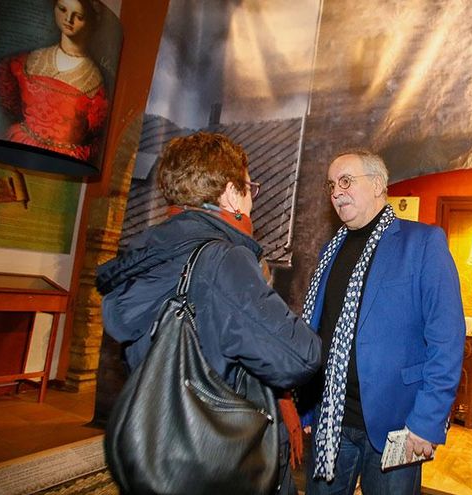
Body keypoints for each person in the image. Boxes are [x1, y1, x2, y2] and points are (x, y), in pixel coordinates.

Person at [95, 132, 321, 495]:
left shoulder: (149, 252)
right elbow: (299, 357)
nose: (252, 199)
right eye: (250, 188)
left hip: (163, 444)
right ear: (231, 194)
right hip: (221, 455)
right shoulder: (222, 260)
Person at [300, 150, 465, 494]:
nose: (336, 192)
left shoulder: (423, 244)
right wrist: (308, 408)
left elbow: (446, 340)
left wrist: (427, 421)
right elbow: (317, 330)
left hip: (398, 426)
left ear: (377, 185)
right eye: (331, 185)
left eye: (346, 181)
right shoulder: (329, 251)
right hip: (330, 420)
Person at [0, 0, 108, 163]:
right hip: (20, 143)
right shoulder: (32, 59)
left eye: (78, 16)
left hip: (61, 159)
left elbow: (93, 135)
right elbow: (12, 106)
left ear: (90, 21)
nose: (68, 19)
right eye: (62, 9)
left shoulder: (94, 78)